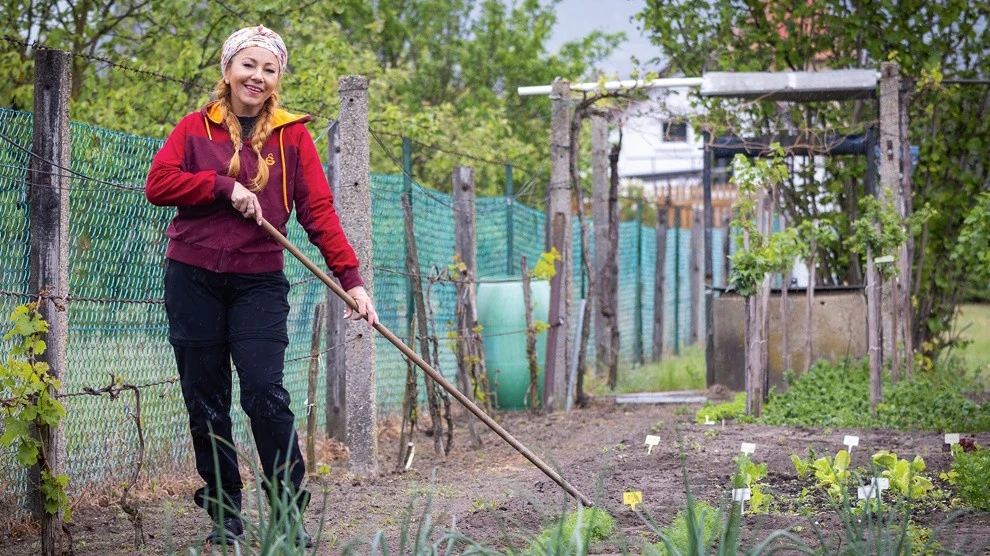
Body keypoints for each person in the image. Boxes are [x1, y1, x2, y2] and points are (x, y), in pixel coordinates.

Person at [145, 25, 378, 546]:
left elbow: (318, 212)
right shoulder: (193, 130)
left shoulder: (291, 136)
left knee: (265, 393)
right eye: (248, 65)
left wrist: (352, 281)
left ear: (277, 80)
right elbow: (158, 185)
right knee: (205, 400)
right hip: (192, 279)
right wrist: (221, 186)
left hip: (258, 283)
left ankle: (288, 514)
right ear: (227, 71)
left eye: (269, 69)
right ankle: (224, 517)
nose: (257, 76)